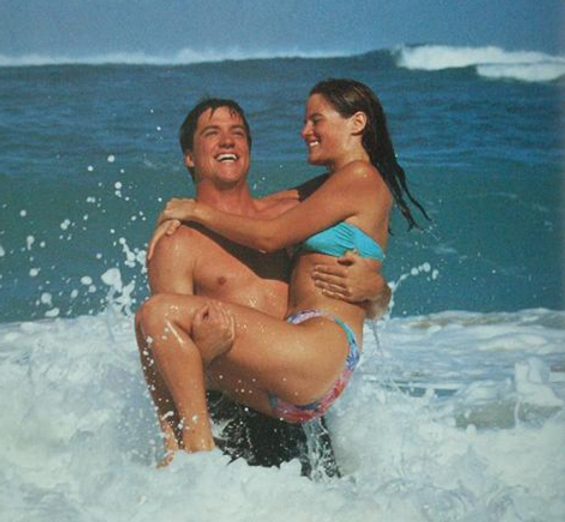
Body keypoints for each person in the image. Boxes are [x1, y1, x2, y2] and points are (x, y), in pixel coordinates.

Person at [136, 95, 391, 467]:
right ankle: (188, 455)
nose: (227, 140)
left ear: (248, 150)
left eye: (237, 133)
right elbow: (168, 356)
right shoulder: (178, 243)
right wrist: (204, 357)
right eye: (212, 133)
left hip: (302, 416)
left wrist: (378, 291)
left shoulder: (289, 216)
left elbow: (353, 275)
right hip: (235, 420)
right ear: (189, 157)